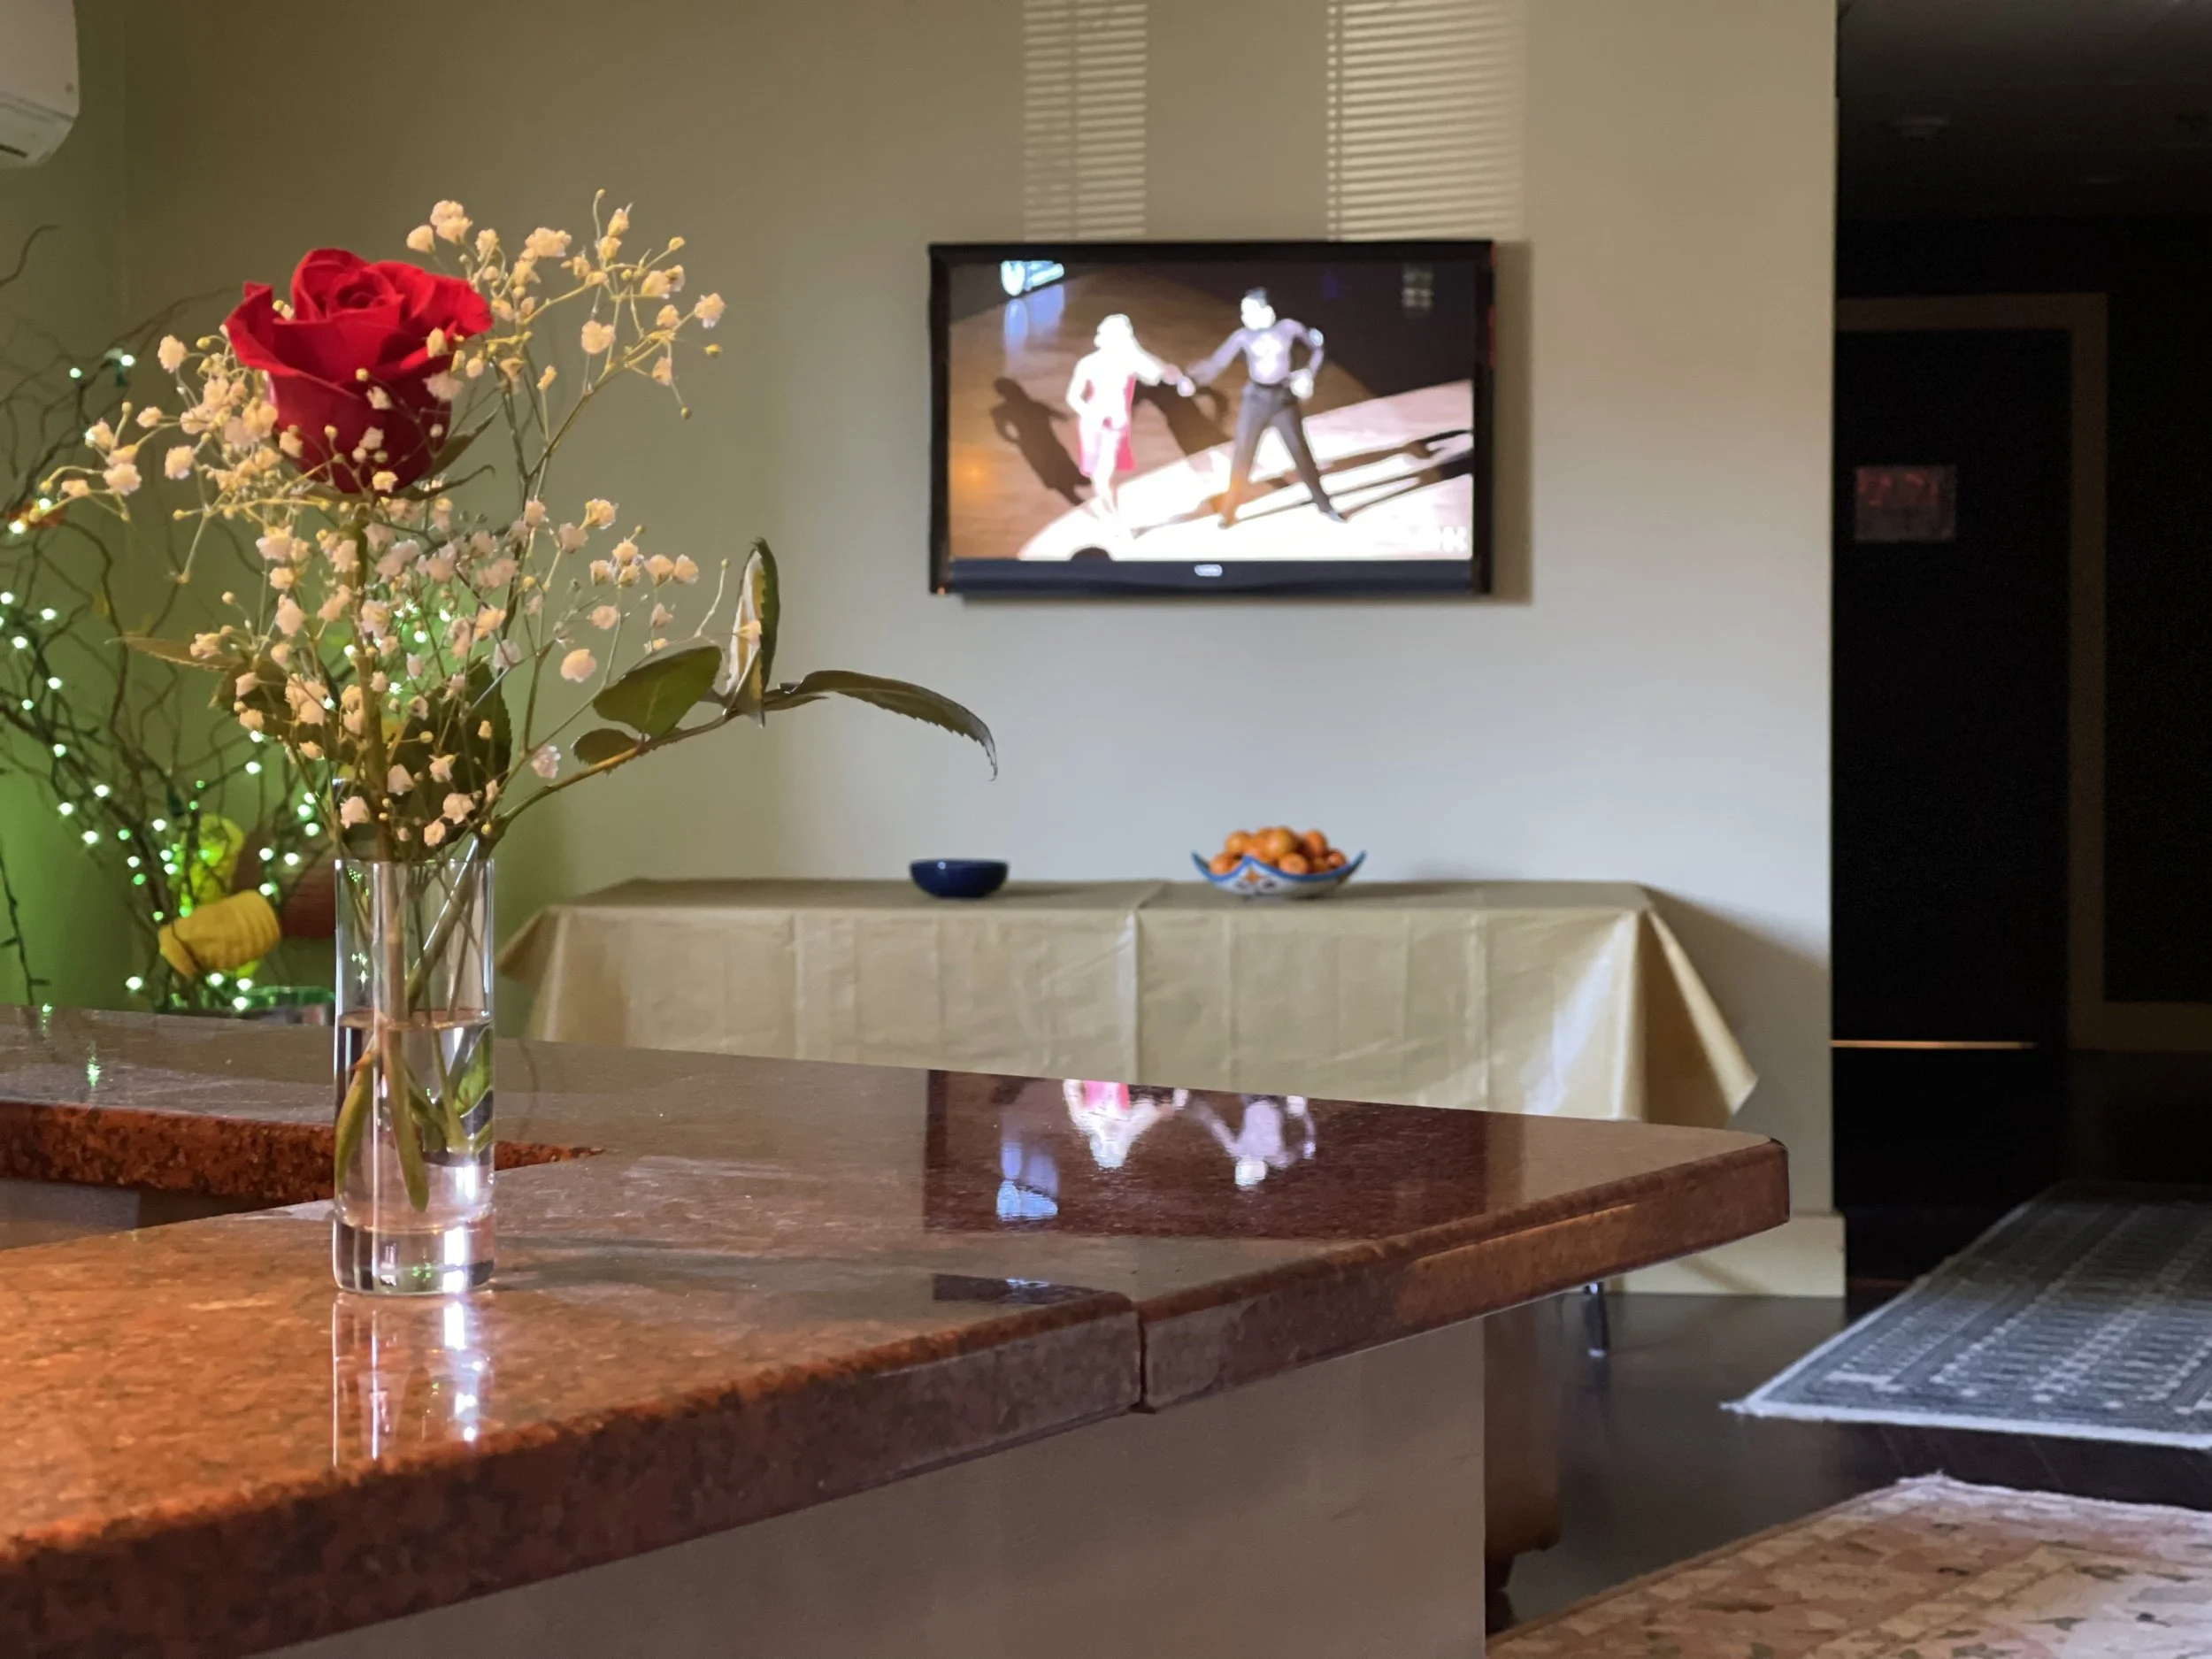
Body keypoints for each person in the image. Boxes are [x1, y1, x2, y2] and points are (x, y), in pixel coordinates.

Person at [1177, 288, 1346, 529]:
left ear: (1267, 311)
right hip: (1255, 401)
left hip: (1284, 401)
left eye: (1249, 311)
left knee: (1301, 454)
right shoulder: (1242, 337)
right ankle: (1228, 512)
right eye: (1243, 312)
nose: (1244, 317)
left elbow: (1318, 348)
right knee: (1243, 456)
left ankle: (1324, 504)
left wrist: (1308, 374)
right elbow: (1216, 363)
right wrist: (1192, 381)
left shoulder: (1289, 328)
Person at [1064, 313, 1177, 536]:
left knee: (1104, 475)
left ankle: (1114, 517)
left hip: (1116, 425)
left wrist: (1137, 350)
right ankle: (1110, 513)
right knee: (1098, 476)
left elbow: (1155, 376)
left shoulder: (1128, 360)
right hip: (1092, 424)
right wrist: (1089, 413)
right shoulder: (1088, 363)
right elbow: (1072, 397)